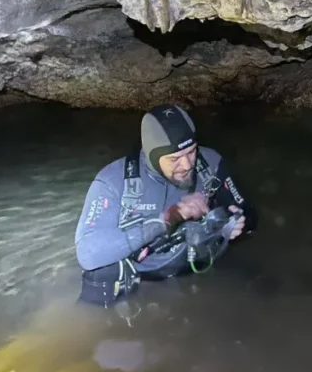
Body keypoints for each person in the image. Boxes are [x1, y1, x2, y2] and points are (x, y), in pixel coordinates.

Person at [74, 103, 255, 306]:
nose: (187, 165)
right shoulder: (113, 181)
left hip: (196, 265)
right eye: (175, 158)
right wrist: (170, 218)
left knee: (261, 289)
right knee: (101, 275)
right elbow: (88, 253)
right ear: (153, 157)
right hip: (142, 277)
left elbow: (247, 212)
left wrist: (237, 223)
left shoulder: (210, 163)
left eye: (191, 151)